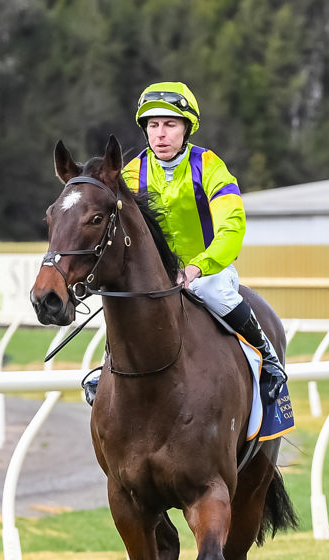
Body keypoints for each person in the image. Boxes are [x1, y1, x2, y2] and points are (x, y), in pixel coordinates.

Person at [84, 80, 287, 405]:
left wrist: (197, 267)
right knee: (123, 301)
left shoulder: (209, 166)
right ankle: (109, 367)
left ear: (186, 128)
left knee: (210, 291)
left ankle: (269, 361)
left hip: (208, 272)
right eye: (153, 125)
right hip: (156, 276)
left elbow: (232, 226)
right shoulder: (133, 174)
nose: (160, 134)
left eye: (170, 124)